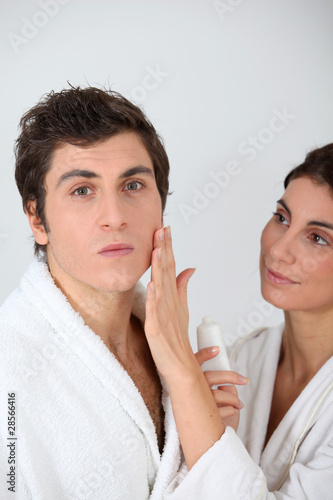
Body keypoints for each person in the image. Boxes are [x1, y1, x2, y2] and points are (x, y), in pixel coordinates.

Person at [2, 85, 243, 500]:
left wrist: (207, 439)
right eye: (82, 190)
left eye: (132, 185)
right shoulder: (10, 372)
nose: (114, 217)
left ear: (161, 203)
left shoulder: (168, 342)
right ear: (36, 219)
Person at [144, 143, 333, 498]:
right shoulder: (243, 357)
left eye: (318, 238)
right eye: (282, 218)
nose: (278, 250)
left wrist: (181, 372)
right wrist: (212, 427)